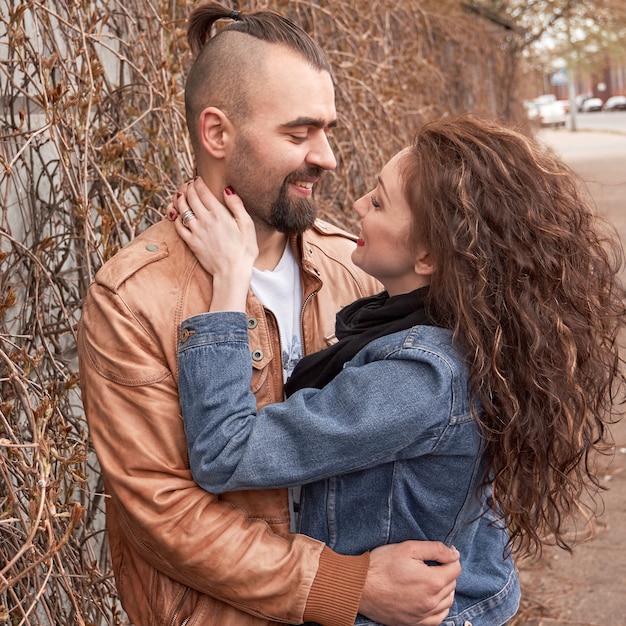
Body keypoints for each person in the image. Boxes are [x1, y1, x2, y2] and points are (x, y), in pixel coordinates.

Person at [77, 3, 461, 626]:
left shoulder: (356, 267)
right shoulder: (133, 297)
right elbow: (164, 512)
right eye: (298, 133)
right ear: (217, 134)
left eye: (327, 130)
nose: (328, 156)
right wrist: (347, 586)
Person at [172, 115, 626, 625]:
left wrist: (230, 278)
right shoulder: (474, 331)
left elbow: (225, 453)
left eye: (379, 201)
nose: (358, 205)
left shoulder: (420, 376)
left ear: (429, 255)